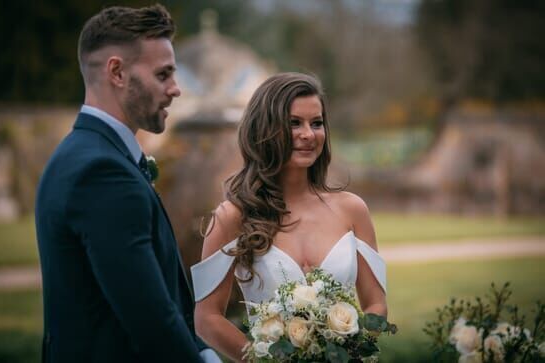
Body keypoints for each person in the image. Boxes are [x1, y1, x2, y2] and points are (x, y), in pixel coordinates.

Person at [35, 5, 219, 363]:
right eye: (163, 74)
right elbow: (149, 318)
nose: (176, 89)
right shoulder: (102, 172)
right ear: (116, 72)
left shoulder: (82, 154)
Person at [190, 72, 388, 362]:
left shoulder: (352, 210)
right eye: (294, 123)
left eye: (316, 123)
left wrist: (348, 353)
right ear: (265, 129)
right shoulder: (232, 217)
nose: (308, 134)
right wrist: (264, 360)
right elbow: (206, 318)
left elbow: (377, 305)